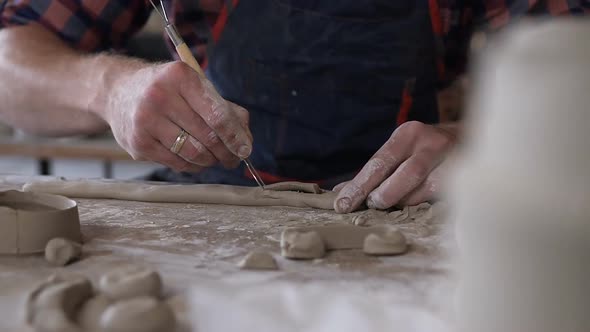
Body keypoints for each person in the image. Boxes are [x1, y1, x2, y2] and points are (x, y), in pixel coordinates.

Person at [0, 1, 585, 213]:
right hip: (213, 198)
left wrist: (482, 139)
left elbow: (575, 71)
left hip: (405, 202)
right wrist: (106, 87)